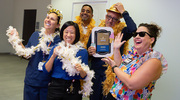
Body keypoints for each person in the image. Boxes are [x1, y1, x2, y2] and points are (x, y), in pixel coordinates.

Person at [6, 5, 62, 100]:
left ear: (57, 25)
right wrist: (16, 40)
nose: (48, 20)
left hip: (48, 82)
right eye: (47, 17)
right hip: (31, 80)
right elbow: (27, 54)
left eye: (52, 19)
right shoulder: (35, 35)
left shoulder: (59, 40)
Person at [102, 23, 168, 100]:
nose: (137, 37)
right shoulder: (133, 55)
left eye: (142, 34)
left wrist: (114, 67)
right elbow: (120, 66)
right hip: (112, 96)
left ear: (151, 40)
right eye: (135, 34)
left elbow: (131, 84)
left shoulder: (153, 61)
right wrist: (116, 49)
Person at [87, 2, 137, 100]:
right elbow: (88, 52)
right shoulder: (96, 31)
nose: (110, 21)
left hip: (112, 74)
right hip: (96, 73)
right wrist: (89, 51)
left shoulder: (122, 34)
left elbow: (133, 29)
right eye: (109, 17)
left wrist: (123, 12)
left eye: (114, 19)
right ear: (105, 17)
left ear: (119, 21)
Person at [43, 21, 94, 100]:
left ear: (76, 35)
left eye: (72, 33)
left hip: (73, 88)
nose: (69, 35)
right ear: (62, 33)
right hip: (55, 87)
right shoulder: (56, 48)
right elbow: (46, 70)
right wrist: (53, 56)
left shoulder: (82, 52)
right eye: (66, 32)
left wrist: (81, 70)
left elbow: (84, 76)